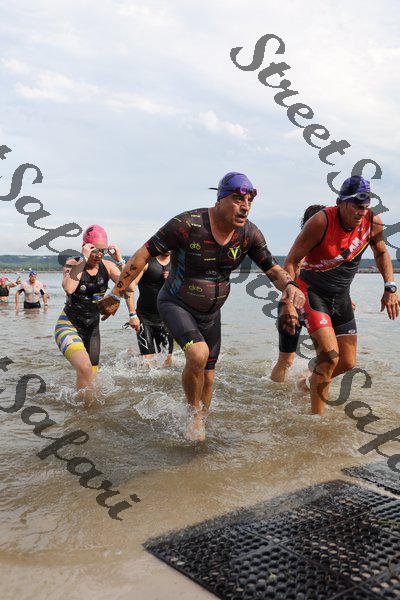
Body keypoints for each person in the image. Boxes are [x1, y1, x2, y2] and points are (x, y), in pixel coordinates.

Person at [99, 172, 305, 441]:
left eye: (249, 201)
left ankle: (199, 425)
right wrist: (116, 295)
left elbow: (272, 269)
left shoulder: (249, 233)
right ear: (220, 199)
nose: (245, 207)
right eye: (238, 199)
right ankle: (191, 413)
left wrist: (290, 286)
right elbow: (142, 254)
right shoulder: (187, 224)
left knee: (208, 377)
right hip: (176, 303)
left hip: (211, 313)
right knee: (197, 354)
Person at [284, 175, 400, 415]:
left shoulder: (372, 222)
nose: (361, 212)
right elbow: (292, 261)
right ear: (341, 203)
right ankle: (315, 420)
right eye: (356, 205)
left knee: (347, 362)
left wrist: (390, 287)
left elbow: (381, 253)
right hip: (313, 293)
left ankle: (307, 383)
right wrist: (290, 300)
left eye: (365, 206)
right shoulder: (321, 221)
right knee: (329, 356)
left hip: (341, 297)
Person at [54, 224, 133, 403]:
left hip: (93, 331)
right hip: (68, 326)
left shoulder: (108, 266)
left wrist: (120, 260)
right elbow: (69, 287)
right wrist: (83, 258)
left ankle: (85, 412)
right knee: (85, 369)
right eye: (94, 250)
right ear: (85, 247)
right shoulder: (73, 263)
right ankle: (83, 409)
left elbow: (131, 286)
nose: (98, 255)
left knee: (91, 377)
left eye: (102, 251)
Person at [270, 205, 326, 383]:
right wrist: (289, 306)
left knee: (327, 355)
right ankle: (274, 392)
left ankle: (305, 383)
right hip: (292, 306)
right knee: (286, 361)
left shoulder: (327, 253)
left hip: (317, 307)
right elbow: (289, 283)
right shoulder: (300, 251)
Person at [127, 252, 174, 365]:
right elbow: (129, 287)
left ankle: (133, 354)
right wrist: (132, 315)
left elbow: (186, 291)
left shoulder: (177, 263)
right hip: (145, 318)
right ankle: (135, 356)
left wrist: (173, 280)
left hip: (166, 318)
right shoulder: (146, 262)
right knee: (147, 363)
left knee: (167, 362)